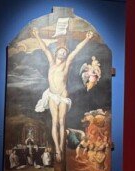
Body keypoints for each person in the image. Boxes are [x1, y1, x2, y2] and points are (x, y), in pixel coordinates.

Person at [32, 28, 94, 162]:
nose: (63, 53)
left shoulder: (67, 64)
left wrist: (87, 38)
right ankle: (57, 149)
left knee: (61, 122)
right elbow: (45, 49)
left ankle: (61, 145)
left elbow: (76, 50)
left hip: (63, 97)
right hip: (52, 95)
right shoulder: (51, 62)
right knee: (55, 121)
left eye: (65, 52)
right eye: (61, 51)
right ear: (56, 53)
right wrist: (37, 35)